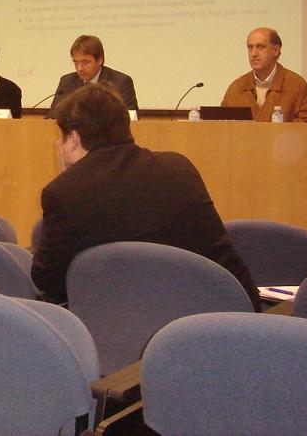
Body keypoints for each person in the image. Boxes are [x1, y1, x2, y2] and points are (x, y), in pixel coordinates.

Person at [31, 83, 260, 310]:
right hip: (220, 313)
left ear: (73, 139)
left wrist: (69, 177)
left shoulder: (64, 192)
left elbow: (48, 280)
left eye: (62, 138)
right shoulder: (179, 168)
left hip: (123, 323)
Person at [221, 27, 307, 122]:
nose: (254, 53)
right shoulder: (237, 88)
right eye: (250, 47)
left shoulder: (296, 86)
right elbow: (221, 124)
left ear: (276, 50)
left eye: (260, 47)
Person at [46, 35, 138, 117]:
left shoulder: (120, 82)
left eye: (85, 62)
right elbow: (52, 116)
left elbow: (129, 118)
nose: (79, 68)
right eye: (76, 62)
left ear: (100, 60)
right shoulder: (67, 82)